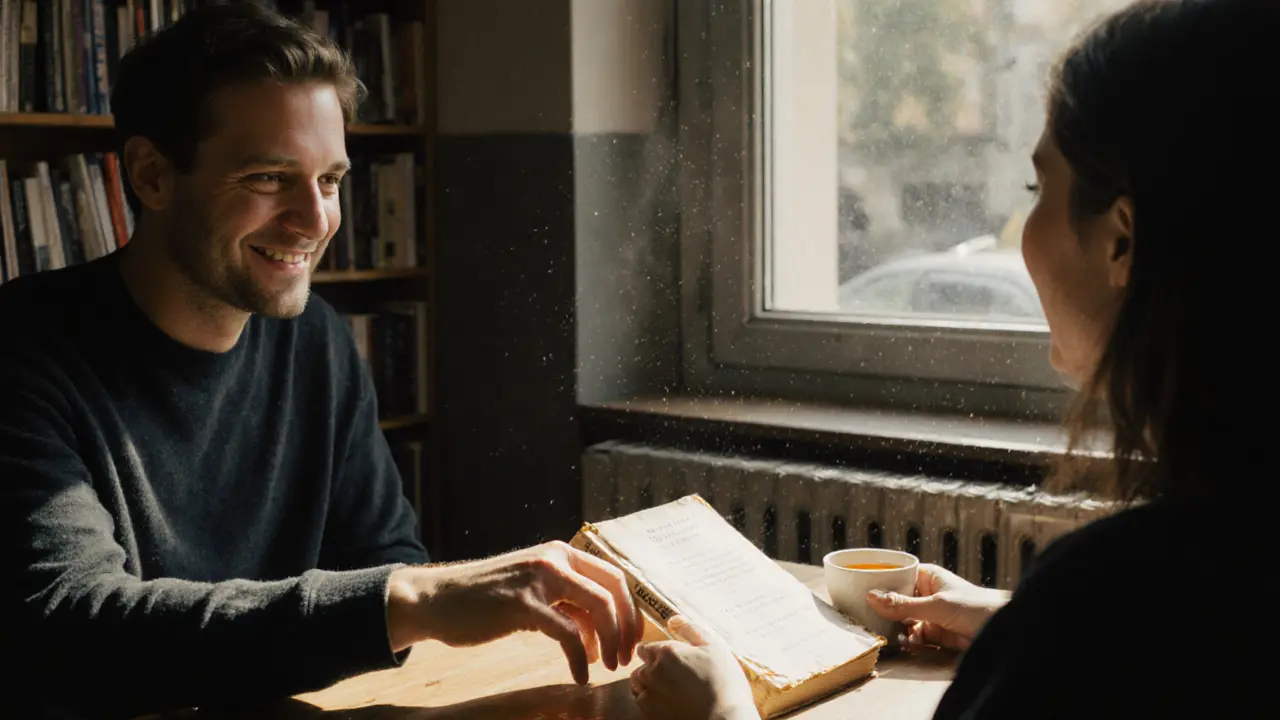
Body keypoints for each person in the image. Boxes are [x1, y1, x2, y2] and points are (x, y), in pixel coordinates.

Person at [632, 0, 1269, 716]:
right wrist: (1014, 624)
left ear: (1122, 240)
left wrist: (723, 709)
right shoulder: (1192, 582)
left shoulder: (1101, 598)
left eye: (1038, 189)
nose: (1025, 228)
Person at [0, 5, 639, 718]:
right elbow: (72, 626)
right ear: (152, 176)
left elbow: (383, 559)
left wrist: (410, 598)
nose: (315, 220)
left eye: (330, 180)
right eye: (269, 178)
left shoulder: (318, 342)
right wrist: (413, 599)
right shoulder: (21, 351)